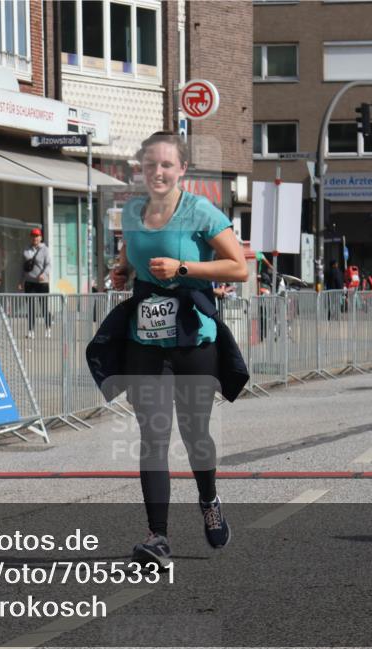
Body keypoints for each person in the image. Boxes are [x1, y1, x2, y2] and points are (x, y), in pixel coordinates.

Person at [95, 131, 249, 569]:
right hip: (145, 339)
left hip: (192, 337)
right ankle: (157, 537)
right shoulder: (132, 212)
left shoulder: (199, 210)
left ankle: (209, 499)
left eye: (166, 165)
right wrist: (122, 271)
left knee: (195, 433)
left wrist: (183, 268)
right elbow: (131, 253)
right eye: (150, 165)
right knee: (153, 437)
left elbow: (238, 267)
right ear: (140, 169)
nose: (157, 172)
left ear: (182, 169)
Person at [22, 228, 52, 338]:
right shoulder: (26, 249)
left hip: (42, 282)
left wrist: (44, 274)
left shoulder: (45, 249)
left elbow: (48, 265)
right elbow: (23, 267)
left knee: (44, 306)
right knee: (30, 308)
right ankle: (31, 330)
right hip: (29, 282)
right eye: (33, 236)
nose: (35, 238)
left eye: (37, 236)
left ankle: (48, 328)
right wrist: (21, 280)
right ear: (31, 237)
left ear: (41, 237)